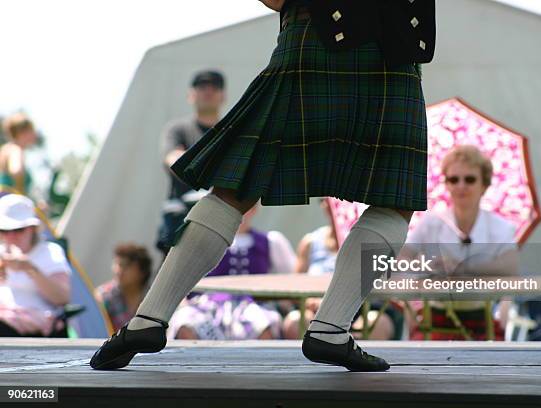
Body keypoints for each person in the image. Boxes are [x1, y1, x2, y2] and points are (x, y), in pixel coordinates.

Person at [91, 0, 436, 372]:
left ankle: (147, 320)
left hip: (314, 36)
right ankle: (331, 329)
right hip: (393, 50)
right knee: (394, 199)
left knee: (236, 186)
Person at [405, 145, 518, 340]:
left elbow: (510, 265)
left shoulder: (501, 227)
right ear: (446, 184)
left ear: (484, 184)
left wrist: (464, 266)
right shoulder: (431, 223)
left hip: (482, 320)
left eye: (470, 179)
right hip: (434, 319)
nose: (461, 186)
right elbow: (401, 258)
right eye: (453, 179)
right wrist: (428, 265)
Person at [168, 204, 296, 340]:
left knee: (266, 323)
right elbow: (180, 280)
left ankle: (255, 362)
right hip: (209, 305)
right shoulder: (203, 242)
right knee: (185, 322)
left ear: (254, 209)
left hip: (253, 305)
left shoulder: (270, 241)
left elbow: (291, 280)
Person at [282, 199, 398, 341]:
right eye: (328, 200)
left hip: (360, 310)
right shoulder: (310, 242)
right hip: (315, 312)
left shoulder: (372, 244)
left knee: (378, 323)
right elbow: (295, 286)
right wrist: (312, 301)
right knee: (295, 321)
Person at [156, 70, 226, 256]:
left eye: (215, 87)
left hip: (221, 221)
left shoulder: (231, 133)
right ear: (191, 95)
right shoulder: (178, 129)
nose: (208, 91)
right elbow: (173, 161)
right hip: (182, 221)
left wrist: (190, 160)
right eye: (202, 87)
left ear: (223, 95)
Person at [0, 194, 71, 337]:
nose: (11, 236)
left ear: (32, 229)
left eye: (19, 230)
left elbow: (62, 297)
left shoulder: (49, 252)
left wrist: (28, 268)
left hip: (34, 329)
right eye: (5, 230)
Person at [96, 244, 153, 332]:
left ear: (142, 271)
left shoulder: (153, 298)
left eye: (125, 265)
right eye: (116, 264)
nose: (118, 270)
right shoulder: (103, 296)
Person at [0, 113, 37, 195]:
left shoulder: (5, 149)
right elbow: (16, 171)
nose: (34, 134)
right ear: (22, 132)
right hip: (9, 201)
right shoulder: (16, 150)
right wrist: (22, 196)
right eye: (31, 130)